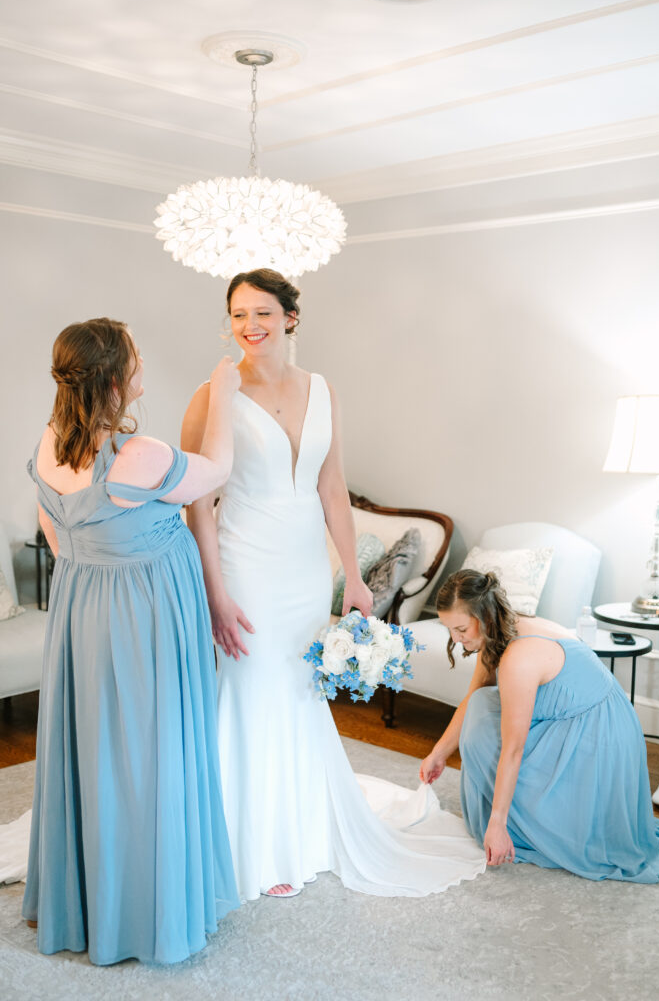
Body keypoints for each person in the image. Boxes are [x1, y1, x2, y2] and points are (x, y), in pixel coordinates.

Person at [182, 268, 486, 901]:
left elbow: (331, 486)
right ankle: (249, 842)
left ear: (290, 317)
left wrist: (353, 576)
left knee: (298, 690)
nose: (250, 325)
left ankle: (301, 828)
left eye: (263, 312)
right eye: (238, 314)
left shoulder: (321, 389)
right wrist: (214, 591)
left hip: (302, 569)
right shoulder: (213, 394)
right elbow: (198, 505)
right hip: (243, 565)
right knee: (251, 688)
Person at [19, 317, 241, 964]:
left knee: (98, 748)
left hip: (81, 608)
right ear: (116, 379)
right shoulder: (139, 456)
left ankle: (89, 900)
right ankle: (147, 911)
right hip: (145, 615)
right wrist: (224, 391)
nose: (143, 363)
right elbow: (218, 471)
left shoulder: (50, 441)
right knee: (150, 753)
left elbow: (57, 538)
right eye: (136, 355)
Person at [419, 569, 659, 882]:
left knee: (490, 724)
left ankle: (518, 823)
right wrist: (438, 753)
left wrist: (498, 823)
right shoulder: (499, 631)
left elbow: (513, 750)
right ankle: (523, 813)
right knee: (480, 705)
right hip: (578, 718)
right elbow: (471, 697)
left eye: (460, 629)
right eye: (450, 630)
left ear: (484, 615)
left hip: (600, 735)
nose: (455, 639)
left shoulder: (519, 656)